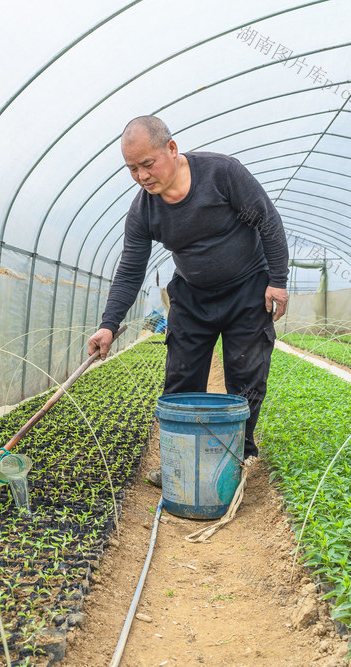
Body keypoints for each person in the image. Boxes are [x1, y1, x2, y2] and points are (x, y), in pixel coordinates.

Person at [88, 116, 289, 483]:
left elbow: (267, 222)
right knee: (180, 381)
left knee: (245, 378)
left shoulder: (221, 174)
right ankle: (179, 464)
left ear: (172, 148)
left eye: (148, 164)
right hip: (193, 297)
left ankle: (236, 459)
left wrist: (277, 281)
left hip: (247, 291)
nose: (142, 176)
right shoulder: (143, 210)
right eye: (132, 169)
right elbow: (131, 269)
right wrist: (109, 324)